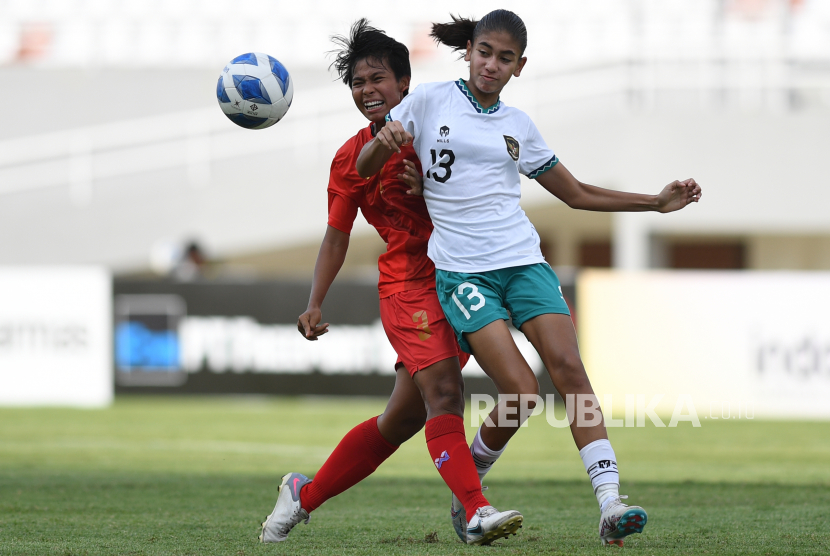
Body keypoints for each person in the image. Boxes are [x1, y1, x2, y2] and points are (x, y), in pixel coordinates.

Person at [356, 10, 702, 547]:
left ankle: (611, 502)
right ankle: (470, 480)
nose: (492, 65)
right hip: (463, 272)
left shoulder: (518, 125)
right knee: (520, 392)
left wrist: (654, 203)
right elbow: (363, 165)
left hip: (524, 263)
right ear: (468, 50)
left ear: (520, 67)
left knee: (570, 371)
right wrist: (384, 140)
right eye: (485, 52)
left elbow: (577, 192)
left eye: (505, 58)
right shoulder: (426, 101)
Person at [259, 19, 522, 546]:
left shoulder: (436, 127)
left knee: (402, 419)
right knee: (447, 394)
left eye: (377, 78)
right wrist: (314, 301)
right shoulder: (349, 157)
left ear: (404, 85)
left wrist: (425, 186)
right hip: (410, 286)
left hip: (466, 277)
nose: (367, 91)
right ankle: (473, 509)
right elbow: (336, 236)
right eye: (358, 83)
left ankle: (301, 495)